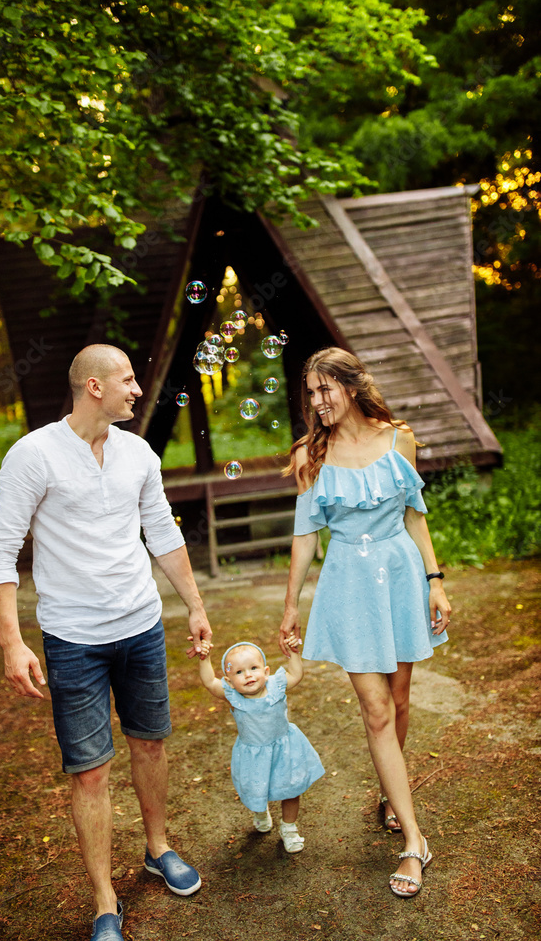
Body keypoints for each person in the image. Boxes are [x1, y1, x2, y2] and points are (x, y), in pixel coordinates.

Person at [0, 344, 212, 941]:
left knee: (151, 743)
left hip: (141, 626)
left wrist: (194, 605)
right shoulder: (34, 455)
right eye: (128, 379)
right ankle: (105, 899)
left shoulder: (138, 453)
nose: (137, 389)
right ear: (94, 386)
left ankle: (158, 848)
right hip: (73, 639)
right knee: (89, 772)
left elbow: (162, 533)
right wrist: (12, 643)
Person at [278, 346, 452, 898]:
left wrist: (435, 579)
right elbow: (306, 536)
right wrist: (291, 605)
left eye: (325, 388)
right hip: (349, 583)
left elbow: (414, 515)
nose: (316, 400)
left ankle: (389, 794)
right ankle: (414, 842)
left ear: (351, 387)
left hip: (399, 576)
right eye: (310, 392)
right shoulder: (310, 455)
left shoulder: (399, 439)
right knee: (376, 710)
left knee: (398, 700)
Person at [196, 637, 324, 853]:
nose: (248, 675)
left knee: (291, 789)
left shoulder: (276, 686)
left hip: (285, 751)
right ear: (229, 681)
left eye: (253, 668)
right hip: (254, 755)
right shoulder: (233, 696)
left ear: (266, 671)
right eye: (239, 672)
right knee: (257, 788)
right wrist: (204, 659)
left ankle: (289, 827)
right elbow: (209, 682)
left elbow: (296, 674)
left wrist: (293, 653)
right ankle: (261, 811)